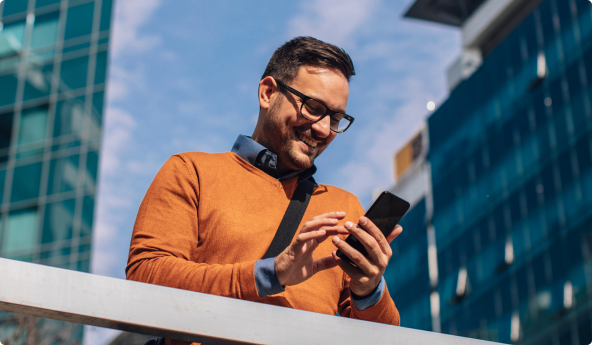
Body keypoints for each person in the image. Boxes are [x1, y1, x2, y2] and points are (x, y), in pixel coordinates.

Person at [127, 36, 403, 345]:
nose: (324, 129)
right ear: (268, 93)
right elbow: (146, 278)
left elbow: (383, 340)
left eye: (336, 118)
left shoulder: (345, 207)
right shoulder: (191, 171)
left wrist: (369, 289)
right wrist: (268, 274)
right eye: (313, 107)